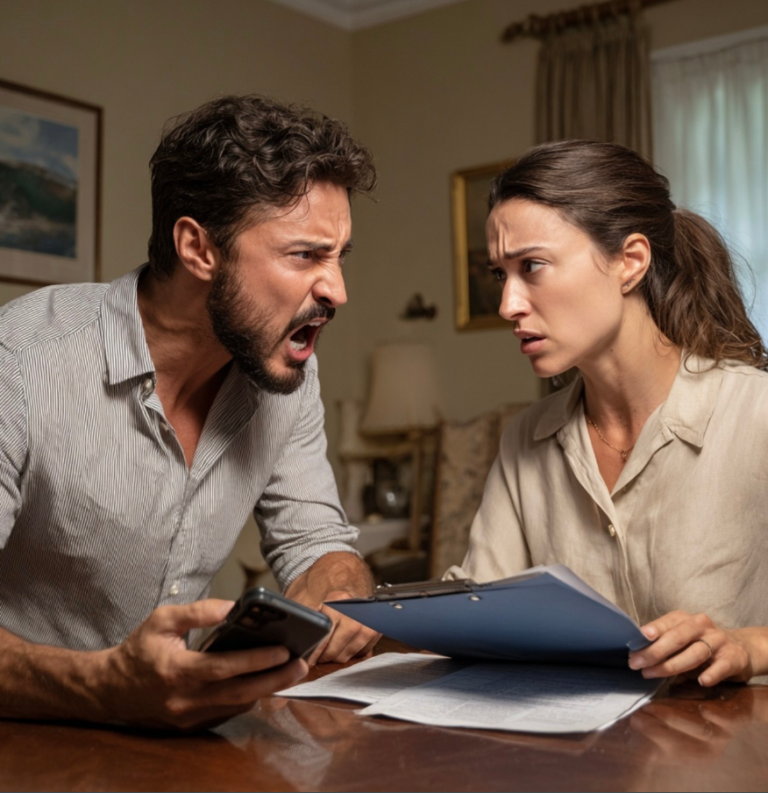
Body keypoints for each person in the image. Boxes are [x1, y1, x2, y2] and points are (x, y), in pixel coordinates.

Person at [0, 94, 380, 730]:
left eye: (340, 257)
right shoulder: (19, 357)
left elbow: (318, 543)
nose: (337, 290)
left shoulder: (287, 374)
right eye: (305, 255)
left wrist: (337, 591)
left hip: (186, 747)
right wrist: (105, 687)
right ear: (198, 248)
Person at [446, 140, 768, 686]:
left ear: (630, 262)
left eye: (533, 266)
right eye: (502, 274)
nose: (508, 305)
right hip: (577, 761)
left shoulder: (756, 414)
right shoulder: (525, 438)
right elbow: (478, 617)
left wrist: (749, 646)